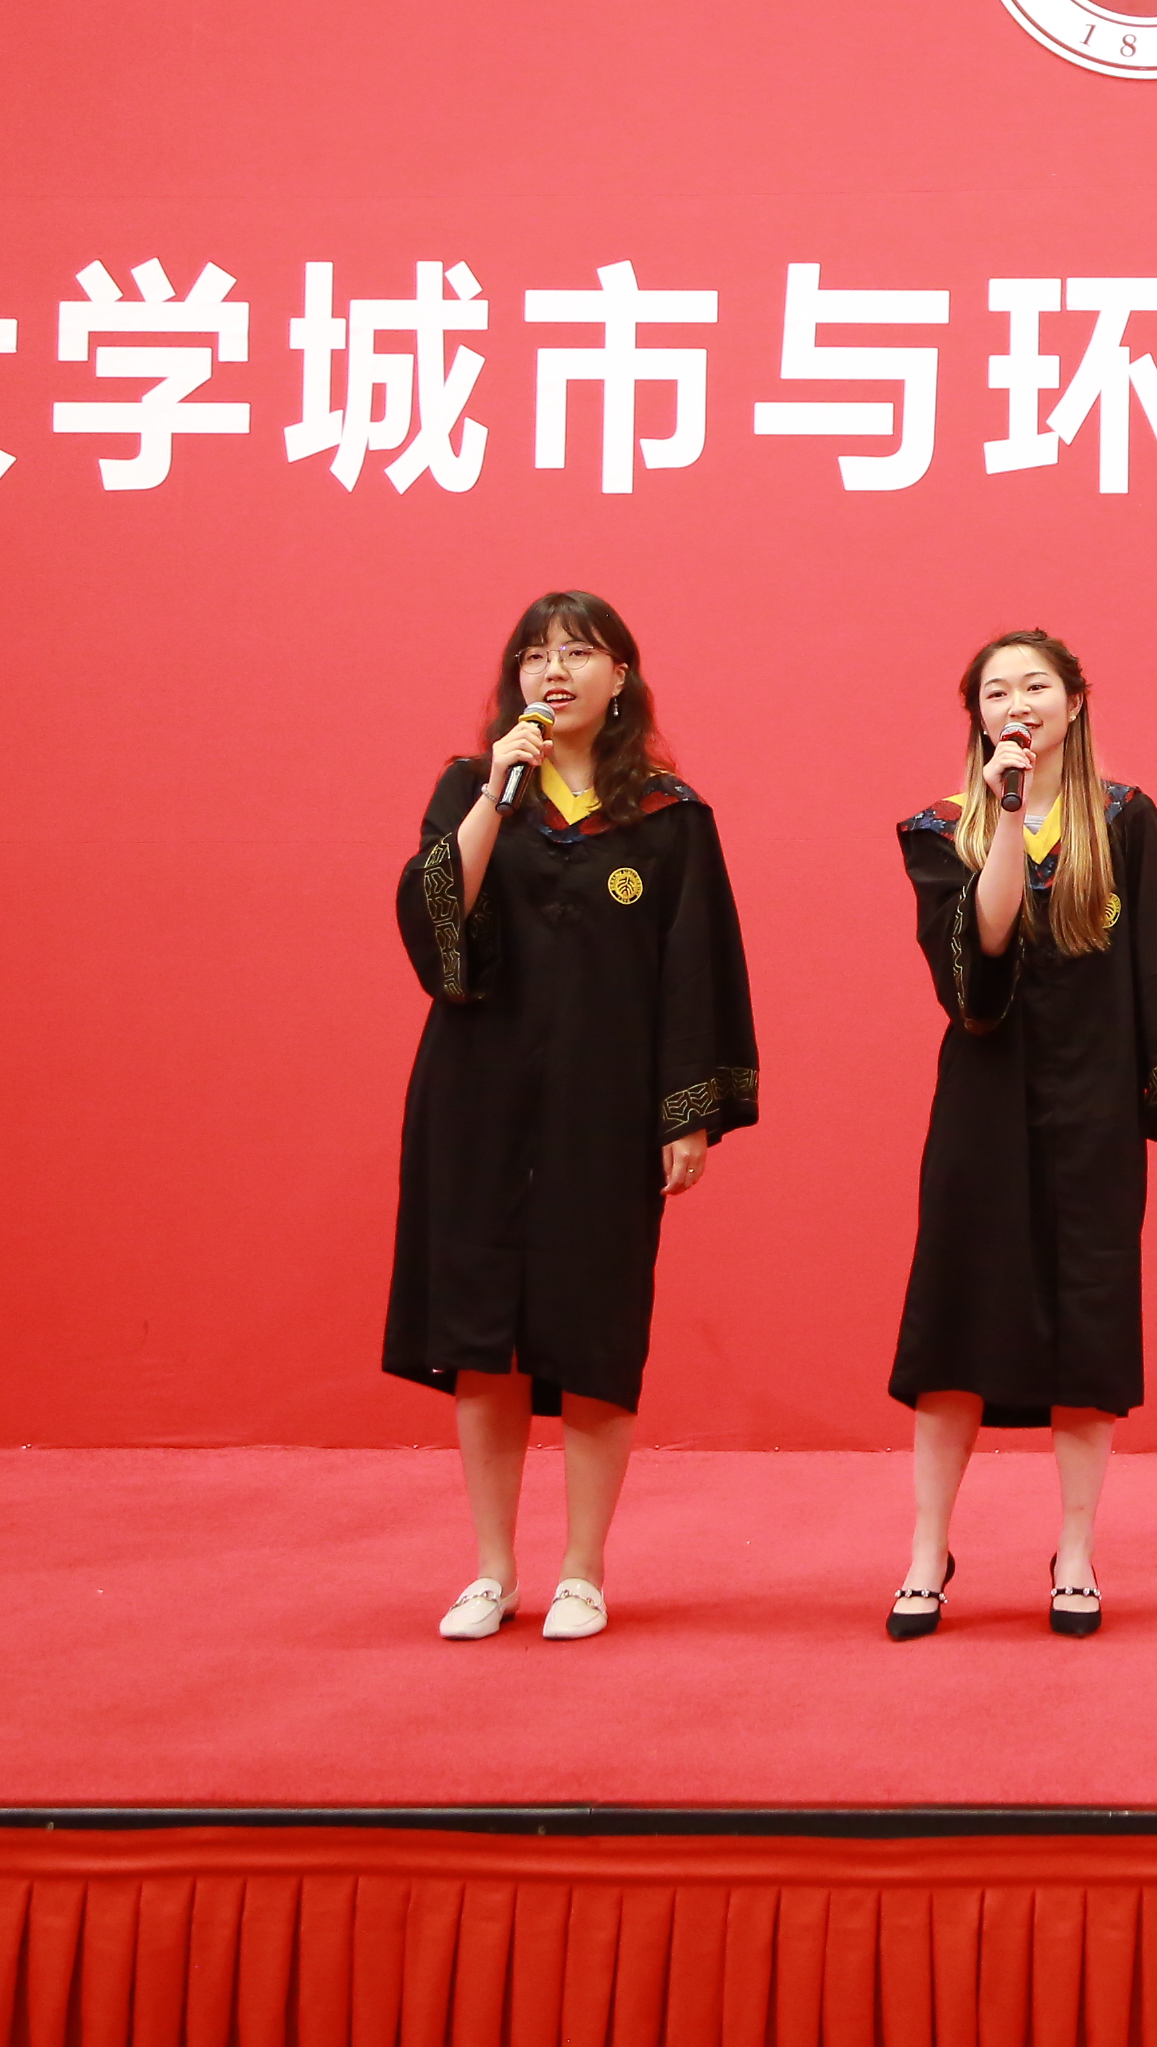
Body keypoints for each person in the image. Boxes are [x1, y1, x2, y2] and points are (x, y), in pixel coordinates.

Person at [387, 591, 759, 1643]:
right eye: (536, 655)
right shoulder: (474, 788)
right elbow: (434, 924)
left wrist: (685, 1113)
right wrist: (493, 798)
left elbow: (696, 972)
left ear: (620, 677)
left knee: (594, 1328)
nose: (555, 672)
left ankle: (583, 1572)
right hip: (477, 1098)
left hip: (605, 1108)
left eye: (579, 653)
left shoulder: (669, 815)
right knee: (482, 1335)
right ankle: (492, 1571)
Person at [887, 630, 1157, 1641]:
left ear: (1075, 703)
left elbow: (1155, 958)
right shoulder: (938, 827)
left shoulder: (1126, 818)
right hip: (984, 1107)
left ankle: (1076, 1550)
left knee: (1090, 1324)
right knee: (955, 1324)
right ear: (977, 715)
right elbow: (982, 964)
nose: (1018, 704)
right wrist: (1004, 811)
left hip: (1093, 1107)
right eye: (997, 691)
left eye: (1036, 686)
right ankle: (927, 1550)